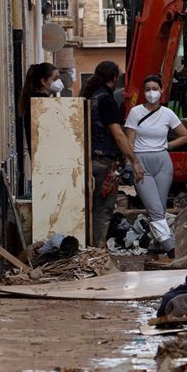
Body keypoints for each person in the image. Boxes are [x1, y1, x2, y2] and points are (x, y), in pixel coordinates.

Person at [124, 74, 187, 257]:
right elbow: (129, 142)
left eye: (155, 89)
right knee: (154, 208)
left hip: (163, 161)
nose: (151, 93)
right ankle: (171, 248)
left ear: (162, 91)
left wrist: (167, 146)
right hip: (141, 161)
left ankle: (155, 244)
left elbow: (186, 136)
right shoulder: (136, 112)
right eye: (147, 89)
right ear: (143, 92)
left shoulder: (168, 113)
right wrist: (133, 163)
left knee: (159, 208)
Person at [80, 60, 142, 248]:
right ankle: (98, 250)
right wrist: (134, 160)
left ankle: (89, 247)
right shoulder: (107, 100)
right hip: (104, 162)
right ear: (114, 78)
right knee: (103, 209)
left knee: (90, 208)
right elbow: (118, 135)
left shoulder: (90, 97)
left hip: (89, 159)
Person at [18, 62, 62, 152]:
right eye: (55, 78)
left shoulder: (33, 100)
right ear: (43, 82)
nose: (59, 82)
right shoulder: (41, 103)